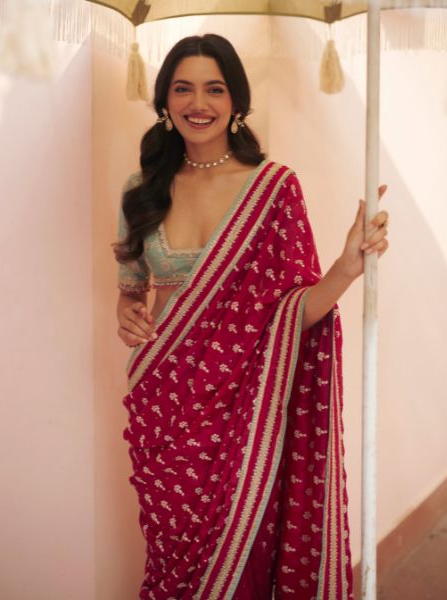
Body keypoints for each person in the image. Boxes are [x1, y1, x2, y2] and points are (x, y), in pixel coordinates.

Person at [114, 34, 388, 600]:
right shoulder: (141, 189)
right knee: (172, 554)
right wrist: (128, 314)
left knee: (243, 549)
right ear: (164, 100)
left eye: (214, 89)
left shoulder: (272, 189)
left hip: (243, 407)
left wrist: (346, 267)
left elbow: (293, 314)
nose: (198, 103)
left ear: (236, 100)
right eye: (183, 88)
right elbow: (132, 288)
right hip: (163, 403)